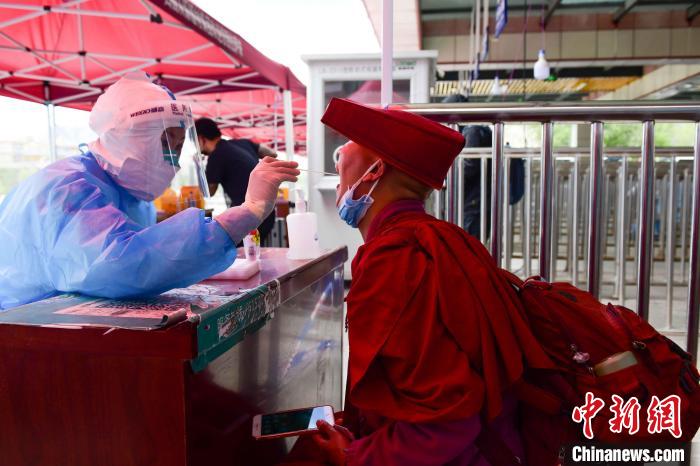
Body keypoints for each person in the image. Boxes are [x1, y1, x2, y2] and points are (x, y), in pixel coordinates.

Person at [287, 98, 551, 465]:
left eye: (344, 150)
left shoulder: (396, 260)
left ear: (375, 170)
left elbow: (446, 423)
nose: (338, 162)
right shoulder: (440, 236)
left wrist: (353, 456)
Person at [0, 73, 299, 310]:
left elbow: (150, 257)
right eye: (167, 143)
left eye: (179, 147)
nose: (174, 160)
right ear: (130, 137)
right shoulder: (66, 188)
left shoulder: (130, 195)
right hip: (24, 330)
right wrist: (247, 211)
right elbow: (121, 265)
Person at [441, 94, 525, 238]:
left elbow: (469, 166)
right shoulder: (480, 130)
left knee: (466, 244)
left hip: (474, 203)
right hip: (480, 202)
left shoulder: (472, 131)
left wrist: (445, 176)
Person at [195, 117, 278, 242]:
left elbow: (208, 193)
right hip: (268, 212)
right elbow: (272, 153)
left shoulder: (216, 156)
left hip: (250, 217)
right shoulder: (243, 143)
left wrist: (198, 166)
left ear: (201, 139)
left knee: (232, 249)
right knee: (253, 250)